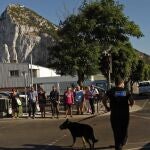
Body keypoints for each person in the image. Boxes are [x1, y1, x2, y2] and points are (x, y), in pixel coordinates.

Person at [102, 76, 134, 150]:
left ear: (115, 83)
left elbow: (103, 100)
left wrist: (107, 107)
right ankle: (122, 142)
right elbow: (132, 101)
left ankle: (118, 145)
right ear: (122, 83)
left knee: (116, 131)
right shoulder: (125, 91)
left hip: (114, 115)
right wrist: (130, 105)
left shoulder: (110, 91)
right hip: (124, 115)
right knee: (124, 129)